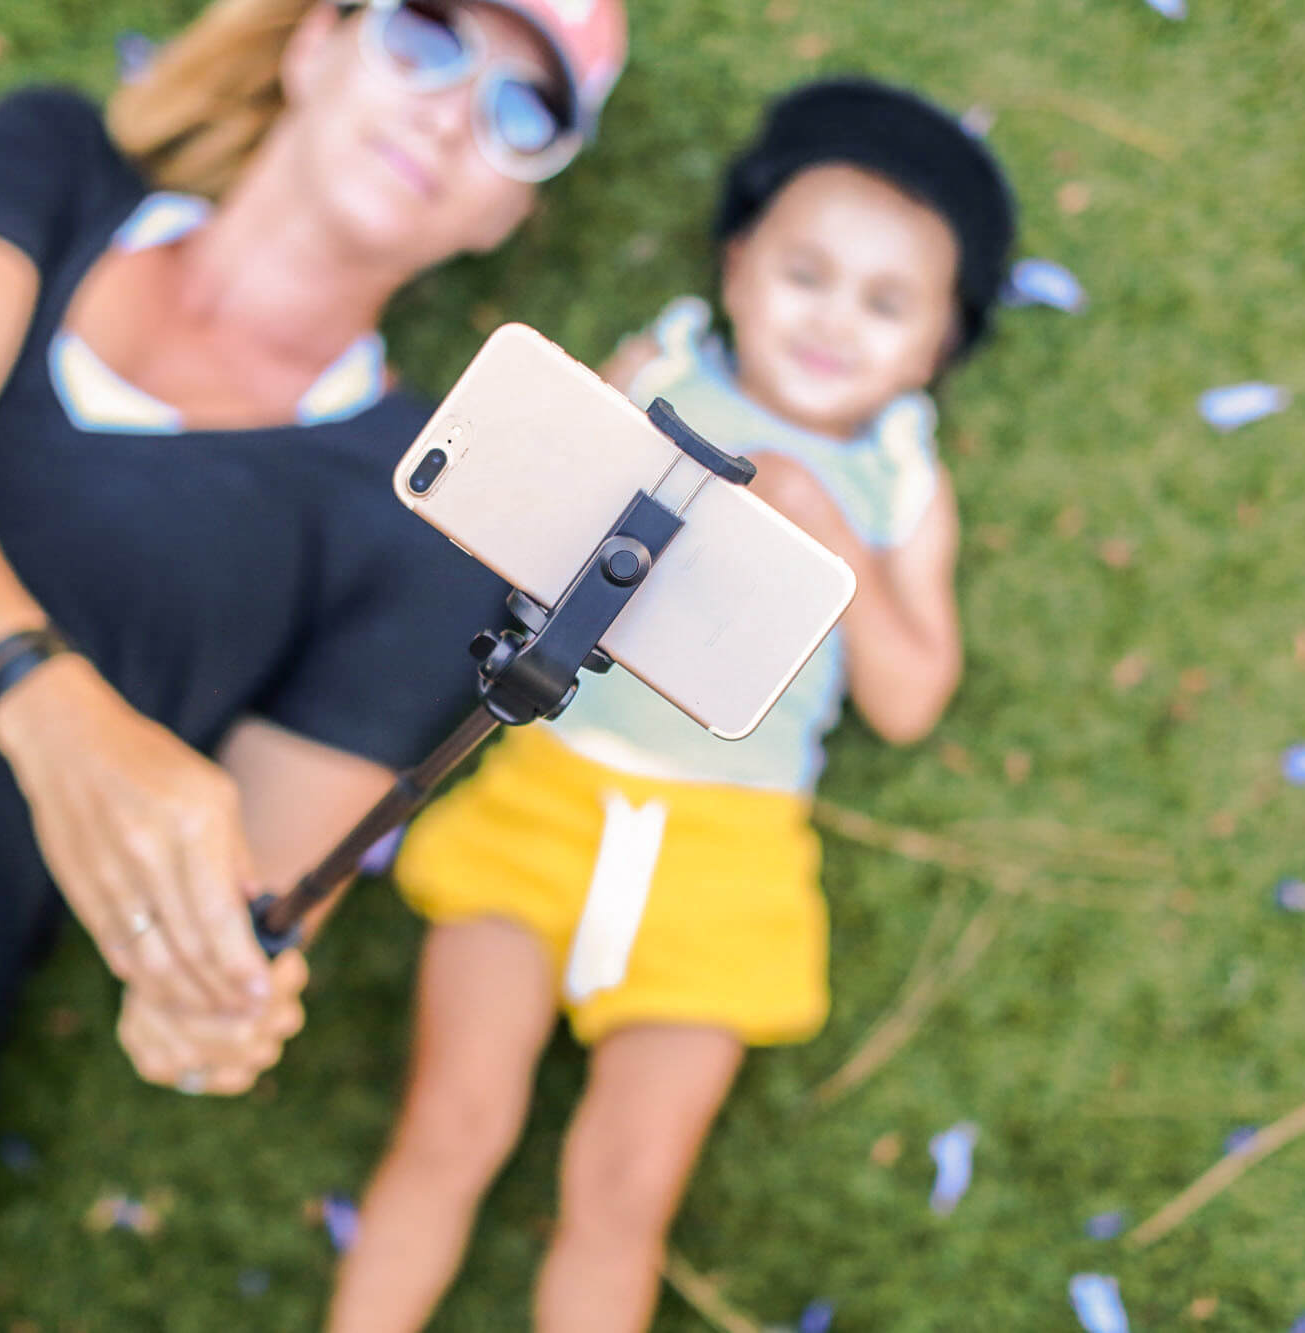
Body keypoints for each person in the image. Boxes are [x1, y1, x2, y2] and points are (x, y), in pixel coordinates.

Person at [0, 0, 627, 1328]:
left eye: (525, 114)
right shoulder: (56, 167)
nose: (449, 108)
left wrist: (205, 995)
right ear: (314, 42)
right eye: (427, 32)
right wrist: (49, 706)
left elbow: (246, 906)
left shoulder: (425, 526)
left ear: (507, 214)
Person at [326, 76, 1016, 1332]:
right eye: (803, 273)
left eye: (884, 304)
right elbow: (527, 524)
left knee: (623, 1192)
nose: (832, 319)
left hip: (727, 857)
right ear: (736, 268)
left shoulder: (898, 480)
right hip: (547, 790)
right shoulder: (664, 369)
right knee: (447, 1124)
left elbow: (910, 698)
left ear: (934, 346)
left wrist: (828, 538)